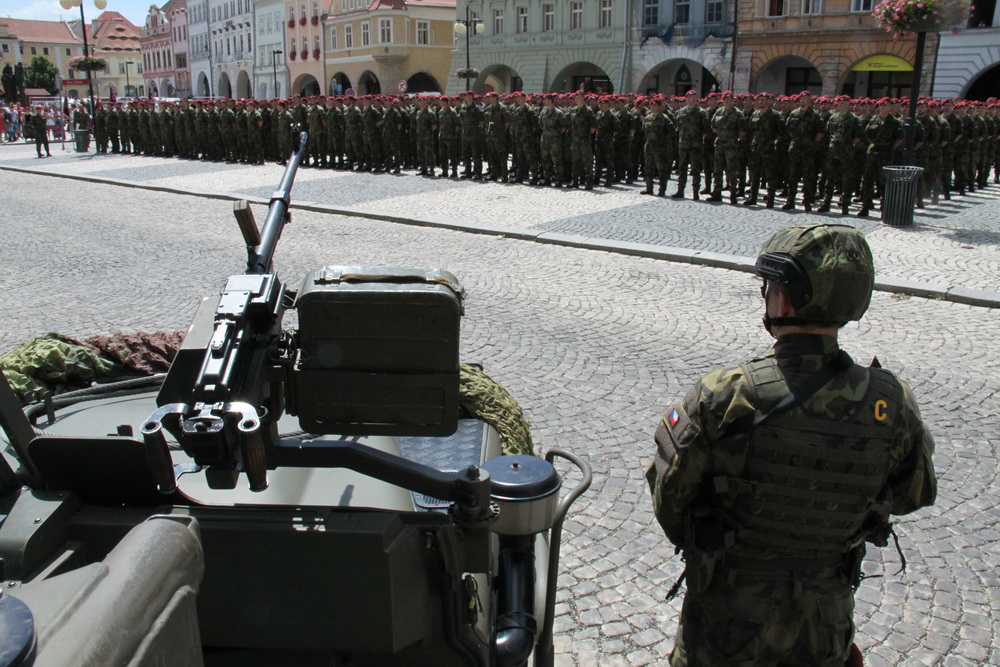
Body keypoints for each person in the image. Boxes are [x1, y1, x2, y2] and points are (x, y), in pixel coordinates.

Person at [647, 223, 937, 666]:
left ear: (784, 297)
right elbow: (913, 494)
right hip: (824, 624)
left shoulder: (726, 394)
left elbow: (670, 497)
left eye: (768, 287)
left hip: (725, 624)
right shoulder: (890, 402)